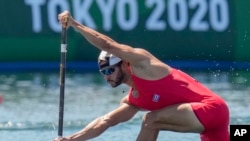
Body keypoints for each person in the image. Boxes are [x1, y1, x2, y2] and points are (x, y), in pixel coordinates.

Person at [55, 11, 230, 141]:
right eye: (103, 72)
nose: (106, 76)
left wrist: (75, 24)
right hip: (209, 125)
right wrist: (71, 139)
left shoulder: (143, 64)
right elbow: (106, 121)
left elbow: (109, 45)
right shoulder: (133, 100)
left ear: (124, 63)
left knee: (150, 120)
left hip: (212, 109)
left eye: (110, 70)